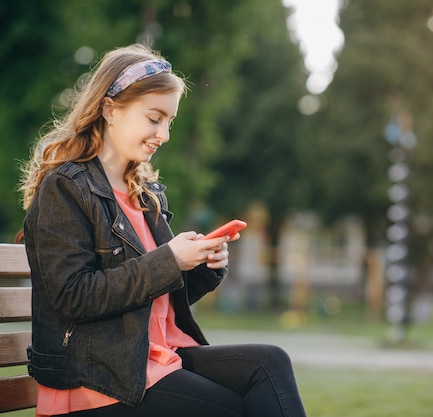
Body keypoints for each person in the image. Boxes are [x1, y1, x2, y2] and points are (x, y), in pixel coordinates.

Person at [19, 43, 307, 417]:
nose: (164, 134)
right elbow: (75, 297)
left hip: (154, 358)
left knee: (270, 364)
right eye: (155, 118)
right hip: (98, 379)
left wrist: (202, 265)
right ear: (110, 110)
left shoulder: (145, 194)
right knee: (236, 409)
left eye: (169, 121)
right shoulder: (66, 187)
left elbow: (158, 300)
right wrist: (169, 259)